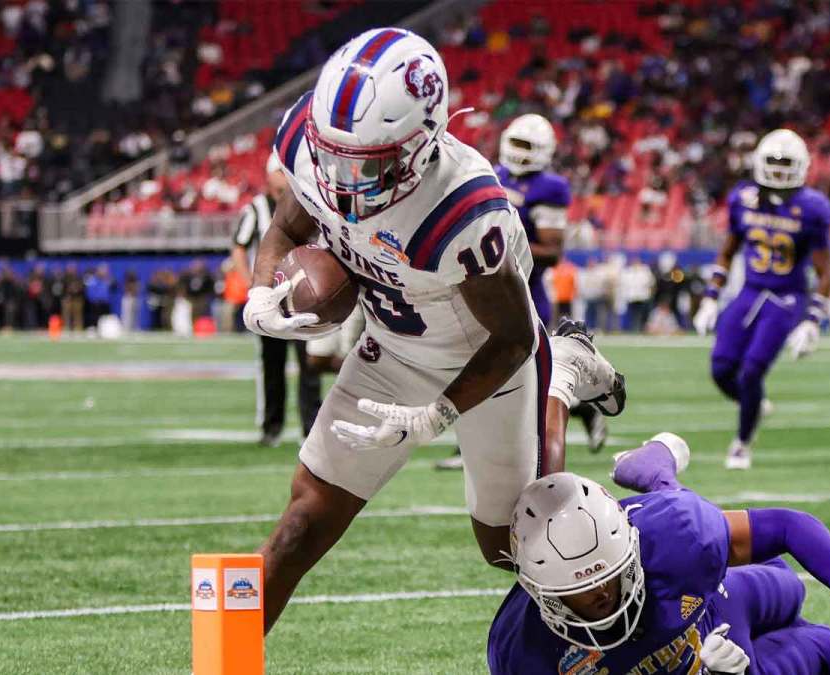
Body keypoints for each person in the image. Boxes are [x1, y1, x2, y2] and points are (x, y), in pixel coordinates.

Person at [240, 28, 622, 633]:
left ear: (420, 144)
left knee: (517, 549)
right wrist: (261, 290)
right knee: (302, 524)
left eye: (362, 164)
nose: (338, 180)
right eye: (330, 156)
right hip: (390, 350)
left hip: (487, 359)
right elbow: (286, 232)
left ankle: (561, 380)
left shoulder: (462, 209)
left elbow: (514, 337)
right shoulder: (316, 146)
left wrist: (436, 415)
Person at [488, 434, 830, 675]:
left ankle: (659, 475)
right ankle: (659, 475)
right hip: (716, 647)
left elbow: (788, 526)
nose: (604, 595)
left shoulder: (673, 541)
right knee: (828, 650)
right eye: (582, 590)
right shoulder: (523, 653)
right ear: (540, 592)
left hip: (708, 600)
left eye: (610, 576)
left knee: (786, 586)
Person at [439, 113, 605, 470]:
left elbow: (552, 250)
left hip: (522, 291)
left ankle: (580, 410)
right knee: (477, 364)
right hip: (484, 288)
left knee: (523, 376)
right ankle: (468, 447)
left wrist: (499, 242)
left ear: (544, 151)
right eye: (516, 143)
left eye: (527, 146)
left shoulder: (550, 187)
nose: (519, 151)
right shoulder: (493, 173)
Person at [693, 129, 830, 470]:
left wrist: (813, 321)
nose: (780, 169)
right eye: (774, 161)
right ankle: (755, 405)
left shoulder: (812, 207)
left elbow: (826, 271)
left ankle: (742, 443)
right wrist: (711, 297)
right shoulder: (743, 198)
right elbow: (728, 251)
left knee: (752, 370)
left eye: (787, 163)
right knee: (721, 368)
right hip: (750, 291)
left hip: (787, 297)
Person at [231, 153, 321, 446]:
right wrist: (251, 285)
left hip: (300, 296)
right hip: (269, 296)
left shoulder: (309, 203)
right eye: (279, 171)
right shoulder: (256, 208)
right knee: (272, 364)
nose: (285, 176)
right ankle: (272, 427)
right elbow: (239, 247)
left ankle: (311, 429)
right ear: (269, 175)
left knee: (309, 364)